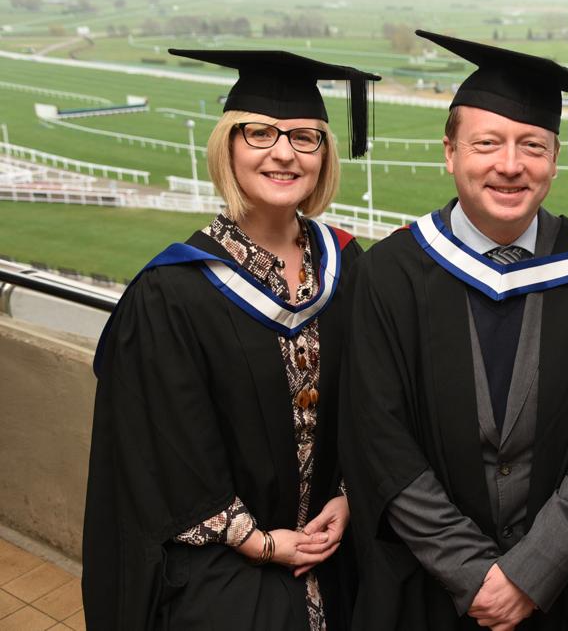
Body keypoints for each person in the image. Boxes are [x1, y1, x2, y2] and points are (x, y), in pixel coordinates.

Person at [339, 30, 568, 631]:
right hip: (427, 591)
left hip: (565, 595)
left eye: (532, 145)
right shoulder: (390, 272)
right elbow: (380, 437)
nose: (511, 165)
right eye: (487, 143)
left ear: (556, 158)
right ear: (449, 152)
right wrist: (472, 573)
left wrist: (531, 574)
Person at [82, 49, 379, 630]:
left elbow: (375, 406)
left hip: (343, 558)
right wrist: (263, 543)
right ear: (228, 147)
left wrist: (348, 497)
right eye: (260, 133)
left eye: (305, 137)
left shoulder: (348, 267)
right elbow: (164, 449)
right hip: (223, 577)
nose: (284, 152)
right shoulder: (174, 291)